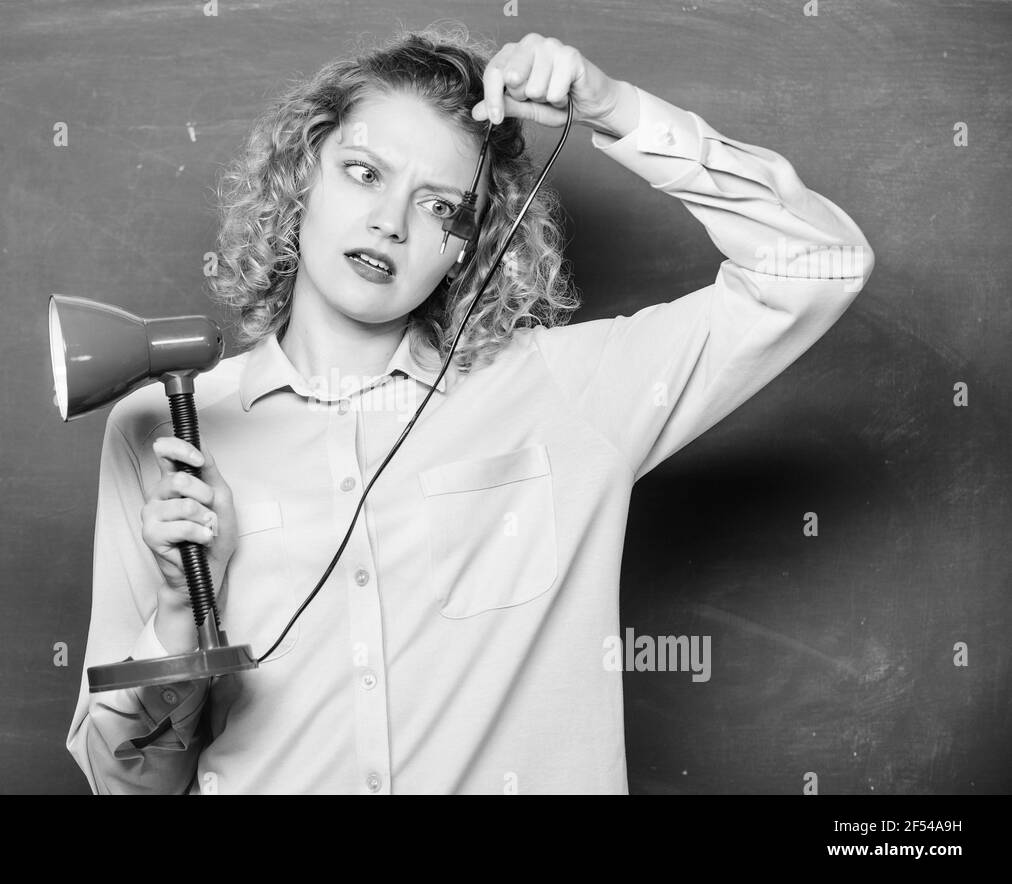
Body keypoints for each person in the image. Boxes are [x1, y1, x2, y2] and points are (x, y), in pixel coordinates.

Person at [65, 24, 874, 794]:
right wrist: (177, 614)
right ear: (302, 173)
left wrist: (614, 108)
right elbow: (127, 783)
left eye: (440, 206)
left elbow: (818, 267)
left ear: (468, 248)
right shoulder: (167, 433)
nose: (390, 221)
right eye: (364, 172)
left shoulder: (565, 394)